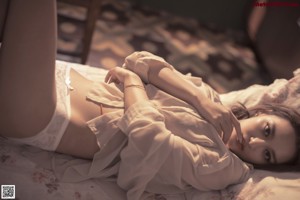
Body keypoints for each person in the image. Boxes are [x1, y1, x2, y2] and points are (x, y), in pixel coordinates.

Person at [0, 0, 299, 199]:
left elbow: (149, 139)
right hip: (57, 76)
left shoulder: (222, 167)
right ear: (261, 113)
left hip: (46, 116)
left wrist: (133, 84)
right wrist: (200, 97)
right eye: (267, 130)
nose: (257, 144)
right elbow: (141, 61)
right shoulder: (211, 101)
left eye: (268, 155)